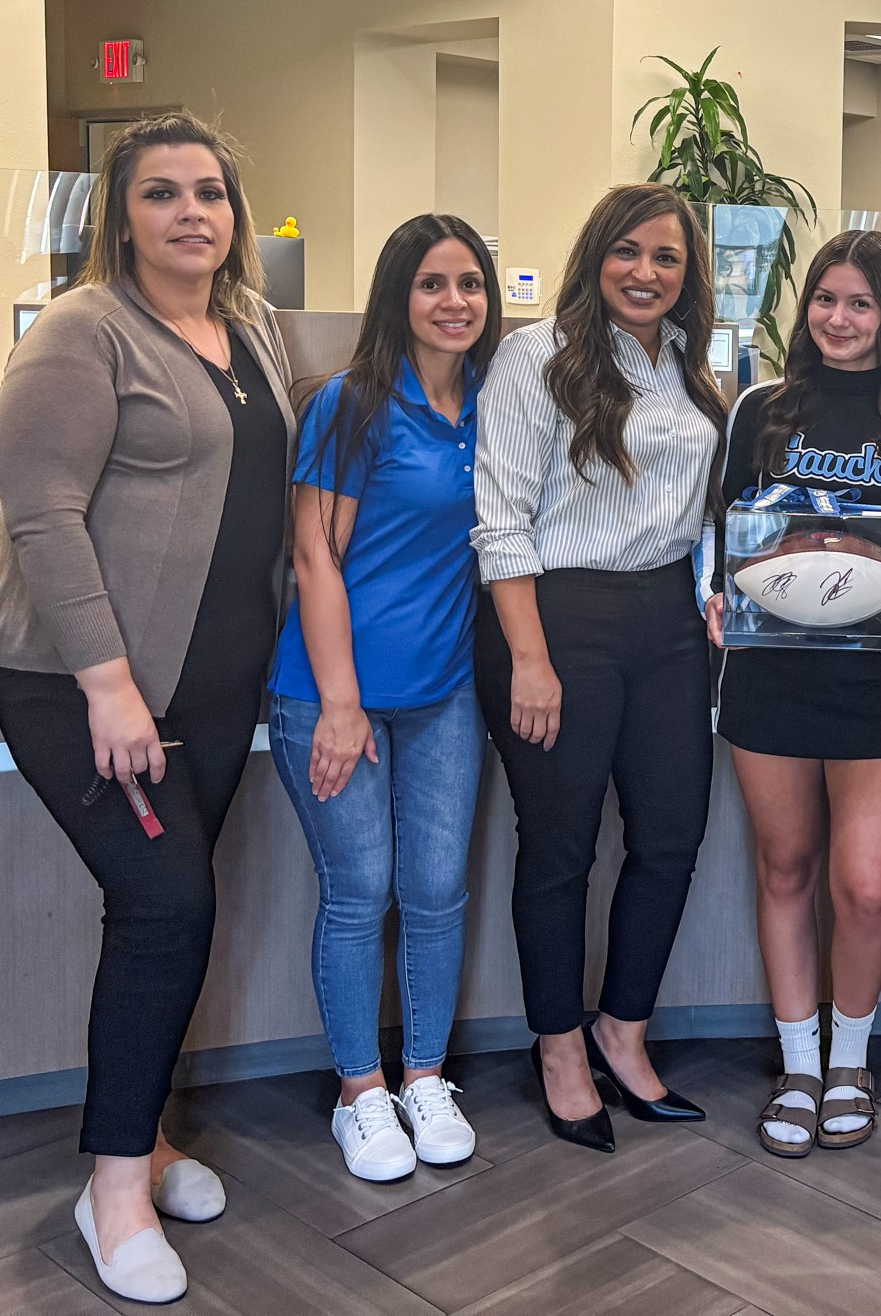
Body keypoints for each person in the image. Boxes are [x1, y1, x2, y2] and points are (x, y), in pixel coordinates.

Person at [0, 111, 293, 1304]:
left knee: (156, 916)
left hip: (207, 692)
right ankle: (112, 1193)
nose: (191, 213)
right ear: (121, 216)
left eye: (208, 192)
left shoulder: (248, 329)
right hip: (80, 686)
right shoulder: (81, 332)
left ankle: (149, 1139)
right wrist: (108, 683)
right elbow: (43, 514)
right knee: (167, 909)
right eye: (161, 194)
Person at [699, 229, 881, 1157]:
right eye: (825, 299)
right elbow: (718, 526)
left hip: (874, 675)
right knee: (785, 869)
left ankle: (851, 1058)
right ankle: (799, 1064)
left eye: (861, 304)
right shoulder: (760, 408)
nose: (839, 319)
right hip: (769, 669)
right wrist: (711, 591)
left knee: (861, 886)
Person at [470, 182, 724, 1153]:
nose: (645, 272)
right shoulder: (533, 357)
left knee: (669, 835)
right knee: (560, 845)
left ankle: (623, 1027)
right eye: (627, 251)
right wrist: (528, 658)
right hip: (554, 617)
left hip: (665, 620)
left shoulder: (690, 370)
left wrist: (713, 586)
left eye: (665, 257)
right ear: (593, 256)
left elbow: (699, 511)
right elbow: (497, 519)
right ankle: (559, 1044)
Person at [267, 214, 502, 1181]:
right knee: (360, 895)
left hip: (447, 691)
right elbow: (314, 559)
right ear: (397, 295)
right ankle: (361, 1095)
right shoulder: (352, 405)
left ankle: (424, 1079)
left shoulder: (497, 403)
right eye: (433, 284)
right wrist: (339, 701)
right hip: (335, 695)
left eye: (472, 285)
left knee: (438, 892)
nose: (455, 303)